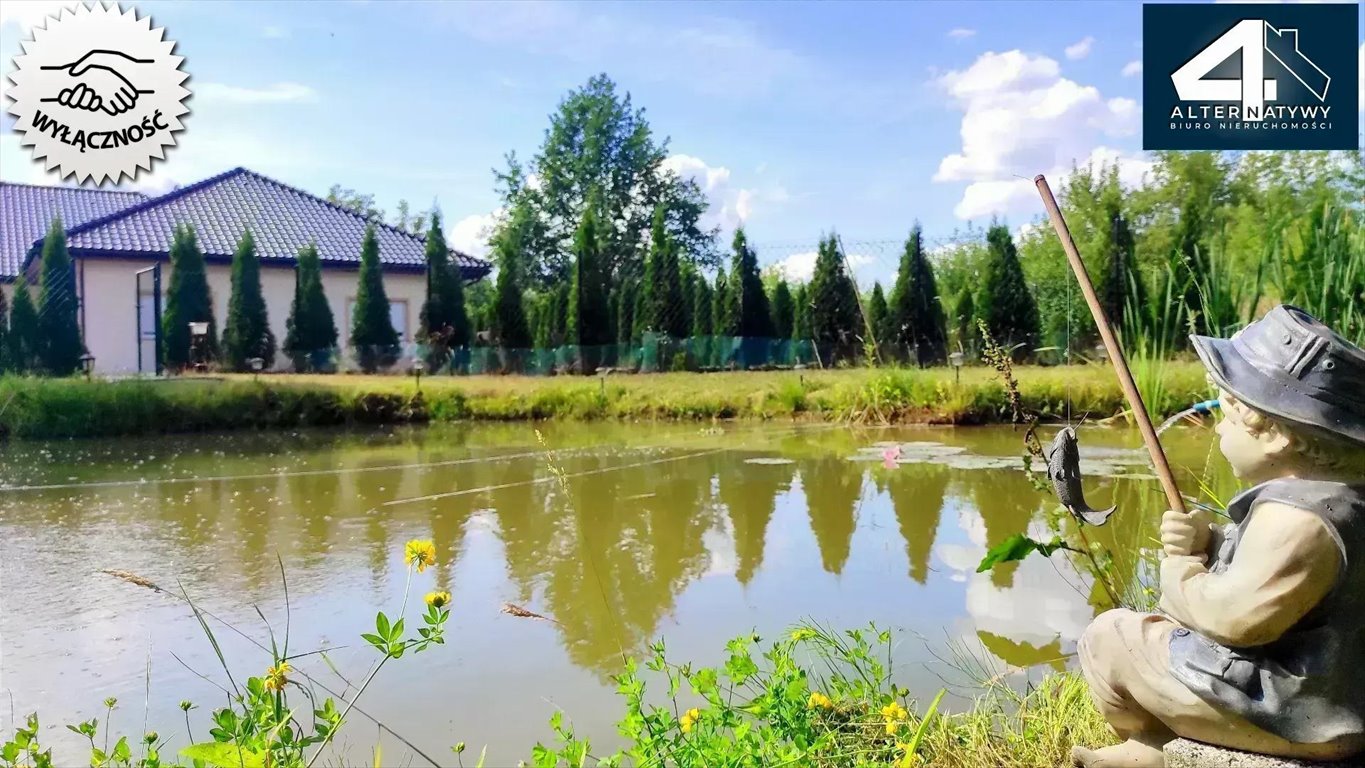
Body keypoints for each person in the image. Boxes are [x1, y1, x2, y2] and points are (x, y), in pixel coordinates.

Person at [1072, 305, 1365, 768]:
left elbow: (1233, 620)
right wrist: (1212, 542)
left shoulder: (1298, 520)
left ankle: (1149, 746)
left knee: (1110, 637)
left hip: (1297, 714)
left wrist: (1182, 572)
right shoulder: (1344, 501)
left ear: (1275, 437)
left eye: (1227, 418)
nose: (1218, 429)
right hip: (1333, 694)